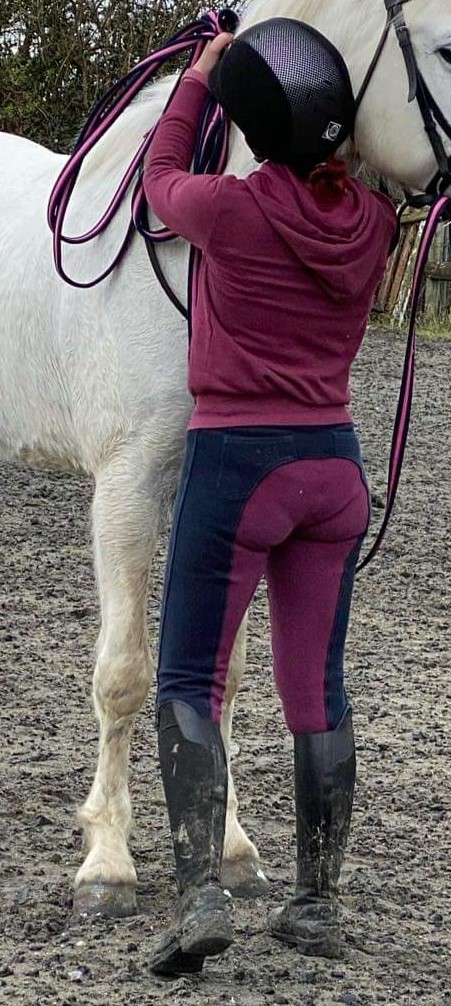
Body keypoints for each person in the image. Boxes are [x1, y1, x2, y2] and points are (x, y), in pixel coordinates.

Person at [143, 17, 397, 976]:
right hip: (332, 470)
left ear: (253, 129)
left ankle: (199, 897)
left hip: (237, 465)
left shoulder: (227, 211)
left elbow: (159, 175)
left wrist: (197, 78)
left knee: (187, 680)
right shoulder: (372, 223)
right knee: (315, 687)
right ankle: (315, 906)